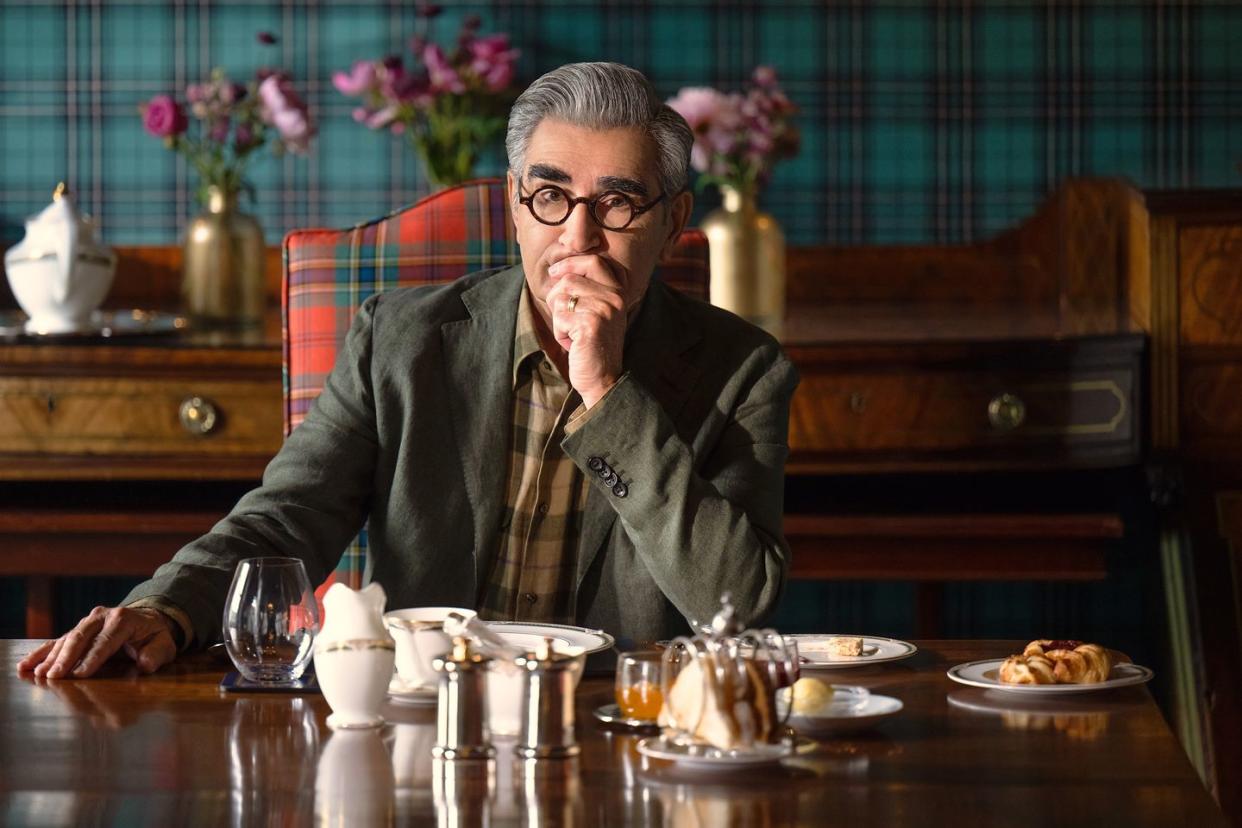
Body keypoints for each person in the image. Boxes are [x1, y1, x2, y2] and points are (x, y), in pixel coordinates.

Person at [18, 62, 799, 680]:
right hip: (424, 714)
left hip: (615, 729)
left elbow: (737, 605)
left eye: (619, 203)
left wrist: (605, 393)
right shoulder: (400, 339)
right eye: (552, 196)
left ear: (673, 225)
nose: (580, 238)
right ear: (515, 207)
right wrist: (166, 609)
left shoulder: (745, 373)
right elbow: (286, 517)